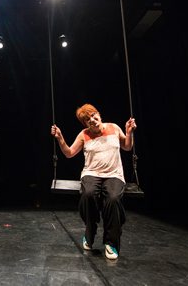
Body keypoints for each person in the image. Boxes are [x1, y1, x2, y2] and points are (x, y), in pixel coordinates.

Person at [50, 103, 137, 260]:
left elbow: (127, 147)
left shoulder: (114, 128)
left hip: (114, 174)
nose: (92, 120)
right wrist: (60, 138)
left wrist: (129, 132)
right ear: (85, 124)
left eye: (93, 115)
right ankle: (90, 230)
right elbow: (69, 153)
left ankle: (111, 242)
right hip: (91, 173)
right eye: (87, 120)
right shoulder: (84, 134)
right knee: (88, 194)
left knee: (113, 199)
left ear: (98, 114)